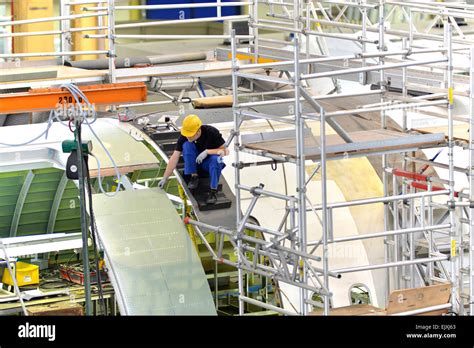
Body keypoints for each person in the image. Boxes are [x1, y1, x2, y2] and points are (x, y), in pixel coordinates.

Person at [158, 114, 229, 205]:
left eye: (190, 135)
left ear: (198, 131)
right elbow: (174, 157)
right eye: (186, 135)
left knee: (215, 160)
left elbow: (226, 151)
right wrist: (165, 178)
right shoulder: (184, 137)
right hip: (194, 164)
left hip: (208, 164)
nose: (188, 137)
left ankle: (213, 192)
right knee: (187, 145)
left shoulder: (211, 132)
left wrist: (207, 152)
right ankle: (194, 176)